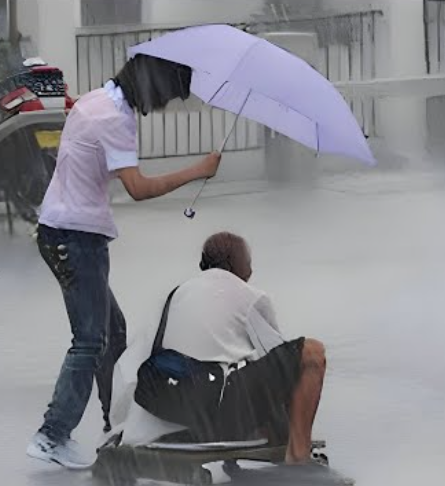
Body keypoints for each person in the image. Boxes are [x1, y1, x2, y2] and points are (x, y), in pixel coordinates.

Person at [27, 54, 222, 469]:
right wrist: (198, 171)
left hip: (62, 230)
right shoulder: (117, 118)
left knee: (112, 331)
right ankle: (52, 434)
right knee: (90, 340)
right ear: (152, 85)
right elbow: (137, 188)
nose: (165, 104)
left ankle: (113, 423)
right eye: (166, 95)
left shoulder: (98, 99)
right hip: (76, 237)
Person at [128, 232, 328, 465]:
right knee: (310, 353)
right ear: (240, 264)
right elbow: (280, 366)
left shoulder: (176, 293)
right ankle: (299, 458)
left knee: (236, 371)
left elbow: (137, 357)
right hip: (214, 403)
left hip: (167, 400)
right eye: (249, 263)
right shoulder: (249, 296)